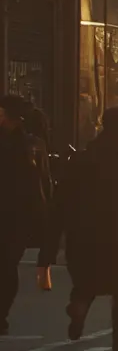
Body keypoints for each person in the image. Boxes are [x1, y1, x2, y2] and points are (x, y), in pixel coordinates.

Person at [42, 107, 118, 351]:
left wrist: (48, 248)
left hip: (81, 235)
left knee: (86, 283)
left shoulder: (83, 158)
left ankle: (79, 306)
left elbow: (61, 201)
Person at [0, 96, 49, 336]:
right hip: (19, 214)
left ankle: (1, 314)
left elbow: (41, 183)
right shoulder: (32, 145)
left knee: (7, 264)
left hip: (17, 215)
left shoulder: (31, 145)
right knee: (7, 265)